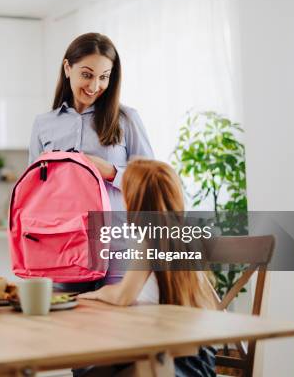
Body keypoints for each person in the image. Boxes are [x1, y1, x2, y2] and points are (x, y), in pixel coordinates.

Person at [29, 32, 153, 290]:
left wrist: (108, 170)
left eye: (104, 77)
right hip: (64, 248)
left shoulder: (126, 119)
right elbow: (34, 194)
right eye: (87, 74)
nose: (95, 86)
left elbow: (150, 182)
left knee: (117, 327)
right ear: (67, 68)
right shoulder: (43, 124)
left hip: (118, 249)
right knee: (67, 327)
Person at [78, 159, 217, 376]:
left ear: (135, 199)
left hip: (171, 362)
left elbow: (123, 296)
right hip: (198, 358)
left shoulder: (147, 238)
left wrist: (94, 294)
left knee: (92, 370)